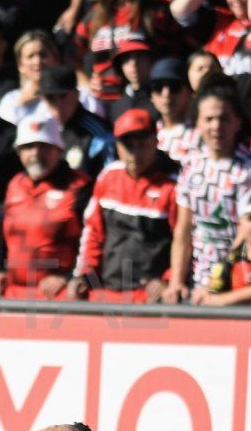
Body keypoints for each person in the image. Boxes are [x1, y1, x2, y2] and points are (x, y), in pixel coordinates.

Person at [164, 80, 251, 302]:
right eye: (209, 119)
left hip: (239, 283)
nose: (216, 126)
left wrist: (216, 284)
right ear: (198, 124)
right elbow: (183, 230)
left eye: (224, 118)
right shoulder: (191, 167)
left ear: (237, 123)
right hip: (197, 285)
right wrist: (177, 281)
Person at [69, 109, 177, 303]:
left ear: (155, 142)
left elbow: (185, 241)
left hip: (149, 296)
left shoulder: (173, 185)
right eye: (128, 146)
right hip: (106, 291)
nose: (135, 154)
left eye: (142, 145)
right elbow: (93, 232)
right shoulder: (108, 177)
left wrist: (168, 280)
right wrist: (85, 274)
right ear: (117, 146)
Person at [0, 115, 92, 300]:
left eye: (44, 147)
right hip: (14, 294)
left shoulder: (79, 186)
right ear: (18, 152)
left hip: (59, 297)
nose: (35, 153)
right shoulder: (15, 184)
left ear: (59, 150)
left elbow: (92, 240)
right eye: (28, 147)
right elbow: (5, 237)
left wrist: (69, 277)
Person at [199, 188, 251, 306]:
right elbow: (214, 288)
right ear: (239, 224)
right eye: (250, 218)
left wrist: (225, 299)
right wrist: (206, 292)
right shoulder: (234, 256)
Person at [40, 65, 116, 180]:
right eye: (51, 99)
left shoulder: (99, 133)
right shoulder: (42, 131)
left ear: (77, 95)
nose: (58, 106)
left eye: (63, 97)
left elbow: (110, 181)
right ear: (43, 99)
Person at [150, 57, 201, 166]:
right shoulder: (147, 135)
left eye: (174, 87)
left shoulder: (204, 133)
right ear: (151, 96)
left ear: (189, 91)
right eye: (158, 87)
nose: (166, 94)